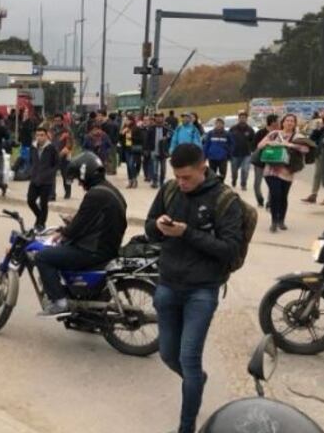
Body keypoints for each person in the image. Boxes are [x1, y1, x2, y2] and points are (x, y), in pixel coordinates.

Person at [145, 144, 244, 433]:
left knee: (189, 358)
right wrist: (159, 225)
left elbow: (229, 249)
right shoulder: (170, 190)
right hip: (167, 285)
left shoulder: (225, 200)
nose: (182, 183)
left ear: (204, 168)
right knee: (167, 354)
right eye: (177, 176)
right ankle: (197, 381)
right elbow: (149, 226)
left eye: (187, 177)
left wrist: (187, 233)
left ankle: (186, 426)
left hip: (202, 290)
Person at [36, 151, 127, 315]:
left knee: (43, 257)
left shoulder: (95, 194)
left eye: (79, 178)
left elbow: (78, 227)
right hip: (108, 247)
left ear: (86, 174)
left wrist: (63, 232)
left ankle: (59, 300)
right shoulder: (111, 190)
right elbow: (94, 219)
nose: (79, 183)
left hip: (94, 251)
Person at [257, 114, 309, 232]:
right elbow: (259, 145)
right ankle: (274, 221)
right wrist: (270, 143)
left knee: (283, 196)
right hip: (271, 170)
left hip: (287, 172)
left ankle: (281, 220)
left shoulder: (298, 136)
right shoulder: (274, 134)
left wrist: (290, 145)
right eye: (287, 120)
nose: (289, 123)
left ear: (295, 124)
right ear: (283, 122)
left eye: (292, 121)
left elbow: (306, 149)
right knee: (275, 194)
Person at [27, 126, 60, 231]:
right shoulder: (33, 147)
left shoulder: (51, 148)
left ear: (46, 136)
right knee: (30, 200)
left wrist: (50, 173)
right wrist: (31, 171)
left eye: (42, 135)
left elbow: (57, 164)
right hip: (35, 178)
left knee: (43, 203)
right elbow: (31, 160)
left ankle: (41, 223)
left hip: (46, 181)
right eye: (37, 135)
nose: (39, 137)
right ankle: (39, 216)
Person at [251, 114, 279, 208]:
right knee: (257, 183)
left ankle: (269, 202)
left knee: (272, 183)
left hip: (272, 162)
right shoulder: (260, 133)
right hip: (260, 161)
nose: (279, 123)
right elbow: (254, 146)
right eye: (277, 121)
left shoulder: (279, 134)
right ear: (272, 122)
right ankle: (260, 199)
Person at [228, 111, 255, 191]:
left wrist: (252, 150)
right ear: (238, 118)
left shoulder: (250, 130)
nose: (242, 119)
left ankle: (243, 184)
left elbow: (253, 141)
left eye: (244, 118)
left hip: (246, 154)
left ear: (246, 119)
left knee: (245, 170)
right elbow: (228, 140)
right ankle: (234, 180)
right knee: (234, 171)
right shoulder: (233, 128)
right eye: (241, 118)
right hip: (235, 154)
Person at [50, 114, 73, 200]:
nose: (57, 122)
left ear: (62, 121)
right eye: (55, 121)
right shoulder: (51, 130)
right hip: (53, 155)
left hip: (64, 155)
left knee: (66, 175)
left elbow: (69, 143)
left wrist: (63, 152)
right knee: (51, 175)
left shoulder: (67, 130)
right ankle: (52, 194)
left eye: (59, 121)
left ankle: (68, 191)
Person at [145, 113, 172, 189]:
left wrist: (167, 138)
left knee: (163, 169)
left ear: (163, 118)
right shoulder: (151, 129)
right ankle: (155, 182)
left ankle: (161, 182)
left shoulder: (167, 129)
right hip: (154, 150)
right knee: (154, 168)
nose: (159, 119)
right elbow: (147, 140)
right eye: (157, 117)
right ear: (155, 119)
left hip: (163, 152)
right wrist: (146, 149)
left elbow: (171, 139)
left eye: (160, 117)